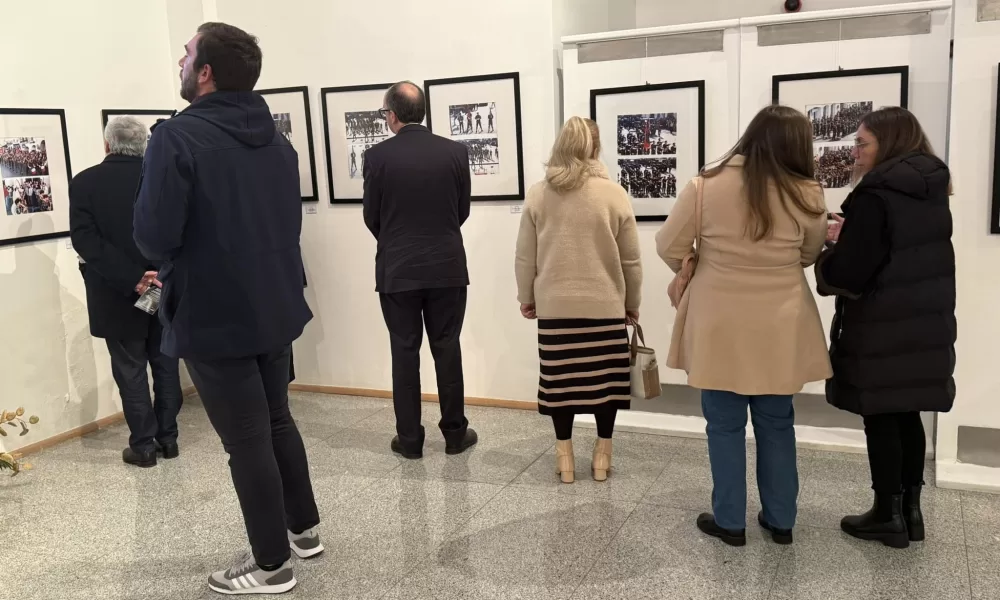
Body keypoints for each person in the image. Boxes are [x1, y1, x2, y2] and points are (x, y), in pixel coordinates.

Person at [133, 22, 321, 595]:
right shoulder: (277, 139)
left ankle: (271, 566)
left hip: (215, 311)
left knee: (246, 440)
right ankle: (304, 533)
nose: (182, 61)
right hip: (275, 301)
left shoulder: (176, 138)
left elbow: (153, 236)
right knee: (276, 421)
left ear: (206, 72)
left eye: (188, 53)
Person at [655, 105, 832, 547]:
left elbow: (667, 244)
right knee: (777, 423)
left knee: (724, 424)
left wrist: (694, 260)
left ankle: (730, 520)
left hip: (720, 322)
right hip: (781, 322)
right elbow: (808, 256)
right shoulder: (808, 194)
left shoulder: (705, 186)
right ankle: (781, 520)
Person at [816, 107, 955, 549]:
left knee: (880, 416)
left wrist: (832, 250)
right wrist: (854, 233)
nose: (854, 152)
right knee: (907, 412)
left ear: (887, 145)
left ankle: (885, 515)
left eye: (862, 143)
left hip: (883, 322)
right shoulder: (930, 189)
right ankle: (910, 513)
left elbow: (854, 272)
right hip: (923, 320)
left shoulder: (876, 194)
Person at [515, 116, 641, 484]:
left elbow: (526, 255)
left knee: (562, 386)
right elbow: (630, 259)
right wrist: (631, 303)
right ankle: (602, 458)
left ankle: (565, 460)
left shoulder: (539, 193)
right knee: (605, 386)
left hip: (556, 308)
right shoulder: (614, 194)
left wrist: (526, 296)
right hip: (604, 307)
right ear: (595, 148)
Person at [363, 81, 477, 460]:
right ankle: (455, 434)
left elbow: (371, 217)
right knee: (447, 349)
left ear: (392, 115)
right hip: (446, 266)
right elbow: (460, 212)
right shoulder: (455, 152)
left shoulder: (378, 157)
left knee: (404, 353)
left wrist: (396, 240)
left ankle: (410, 440)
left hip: (398, 270)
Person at [70, 116, 183, 469]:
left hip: (115, 294)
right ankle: (169, 439)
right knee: (165, 365)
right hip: (163, 288)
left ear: (107, 144)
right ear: (144, 145)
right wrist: (158, 274)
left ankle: (144, 446)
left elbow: (86, 241)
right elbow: (177, 230)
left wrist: (133, 278)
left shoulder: (85, 182)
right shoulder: (160, 177)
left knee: (131, 371)